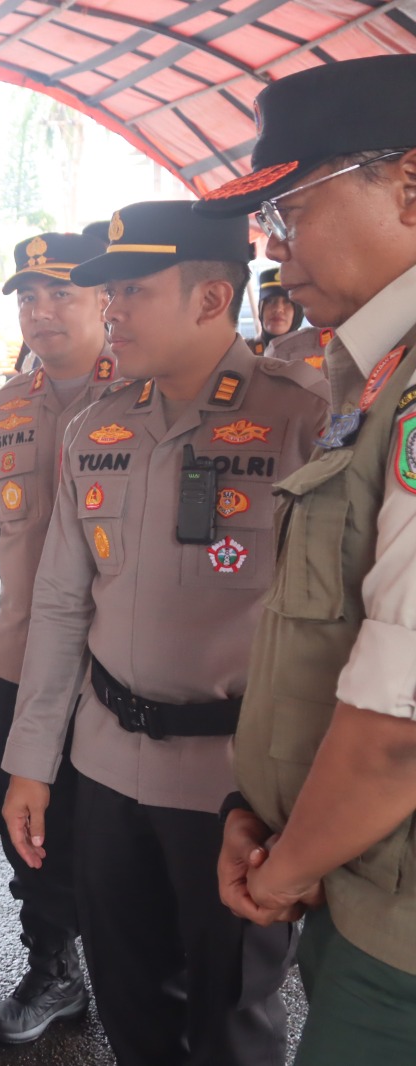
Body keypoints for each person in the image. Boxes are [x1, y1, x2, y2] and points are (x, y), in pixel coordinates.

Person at [1, 202, 328, 1066]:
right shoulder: (96, 425)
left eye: (134, 291)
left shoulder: (305, 421)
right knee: (130, 1007)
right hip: (108, 773)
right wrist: (33, 759)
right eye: (108, 291)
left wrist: (295, 796)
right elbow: (63, 606)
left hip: (235, 785)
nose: (111, 309)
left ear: (212, 296)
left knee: (232, 1018)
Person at [194, 54, 416, 1066]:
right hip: (352, 879)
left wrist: (283, 867)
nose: (274, 254)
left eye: (290, 211)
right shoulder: (374, 379)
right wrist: (266, 814)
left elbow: (395, 731)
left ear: (408, 183)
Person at [0, 231, 113, 1044]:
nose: (41, 313)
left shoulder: (145, 398)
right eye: (28, 298)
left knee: (119, 830)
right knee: (27, 824)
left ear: (106, 299)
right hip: (18, 660)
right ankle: (53, 968)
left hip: (120, 672)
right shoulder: (1, 412)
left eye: (60, 295)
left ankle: (137, 962)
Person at [251, 267, 328, 367]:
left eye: (287, 302)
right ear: (261, 308)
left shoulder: (319, 352)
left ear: (298, 311)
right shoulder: (242, 352)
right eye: (270, 301)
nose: (278, 308)